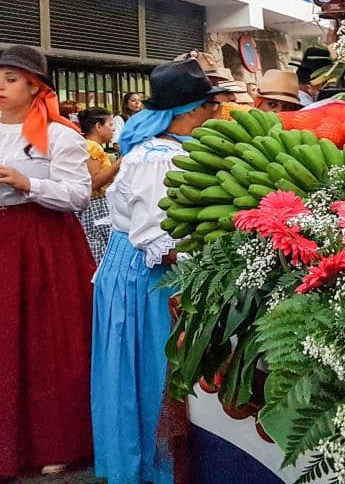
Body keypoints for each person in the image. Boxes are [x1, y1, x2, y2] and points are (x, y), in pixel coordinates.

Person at [91, 60, 223, 484]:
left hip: (135, 268)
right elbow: (155, 238)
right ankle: (154, 466)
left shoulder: (169, 149)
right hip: (143, 275)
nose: (216, 115)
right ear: (188, 112)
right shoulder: (156, 160)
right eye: (209, 108)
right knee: (152, 371)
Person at [0, 45, 93, 479]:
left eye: (10, 78)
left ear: (35, 86)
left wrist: (29, 183)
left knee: (50, 340)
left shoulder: (59, 134)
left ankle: (59, 441)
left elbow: (79, 194)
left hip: (46, 240)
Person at [76, 106, 119, 264]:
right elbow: (94, 182)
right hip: (95, 205)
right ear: (98, 127)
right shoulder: (92, 147)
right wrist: (118, 165)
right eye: (110, 125)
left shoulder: (89, 145)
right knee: (100, 250)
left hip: (97, 204)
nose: (113, 130)